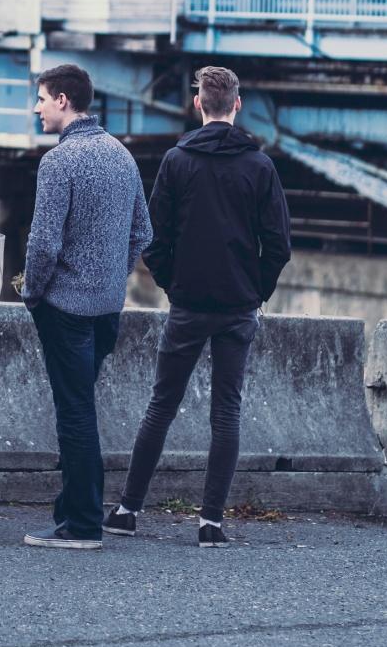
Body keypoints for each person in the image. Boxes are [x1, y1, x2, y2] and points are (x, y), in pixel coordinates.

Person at [106, 65, 291, 548]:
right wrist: (256, 291)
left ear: (197, 106)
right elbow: (278, 246)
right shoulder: (260, 166)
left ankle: (127, 509)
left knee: (161, 406)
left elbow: (154, 238)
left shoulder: (177, 160)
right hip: (237, 306)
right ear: (237, 105)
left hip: (188, 304)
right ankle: (210, 522)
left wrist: (174, 284)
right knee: (226, 412)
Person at [21, 64, 152, 552]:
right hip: (106, 308)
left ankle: (81, 524)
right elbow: (143, 232)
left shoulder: (58, 163)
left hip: (66, 307)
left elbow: (43, 245)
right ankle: (72, 510)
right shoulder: (122, 155)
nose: (36, 108)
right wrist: (111, 276)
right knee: (82, 408)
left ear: (62, 100)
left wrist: (33, 292)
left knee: (74, 414)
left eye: (40, 99)